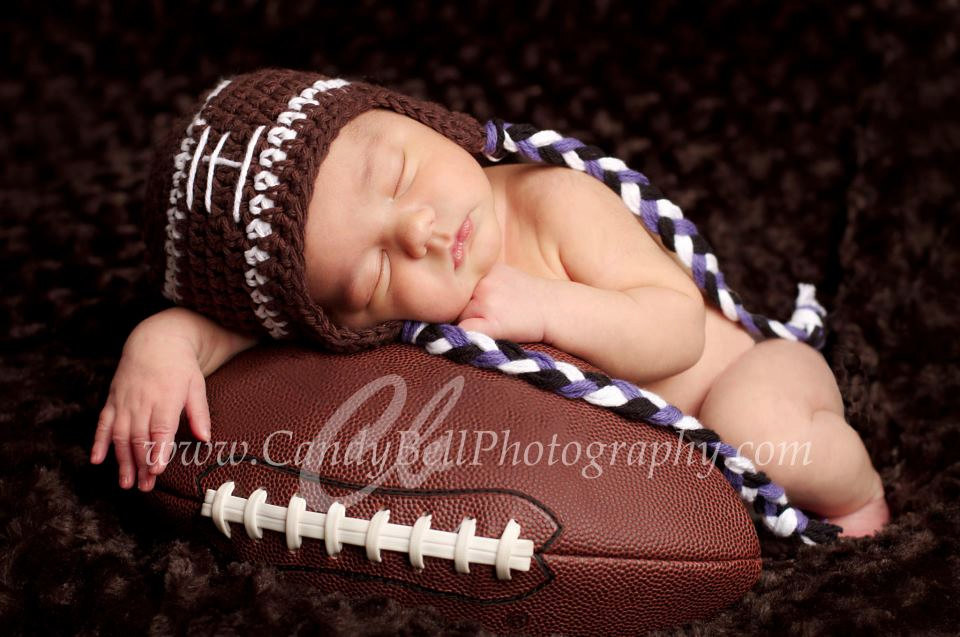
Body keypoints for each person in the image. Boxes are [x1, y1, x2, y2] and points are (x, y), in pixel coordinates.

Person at [89, 68, 889, 538]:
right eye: (368, 275)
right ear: (346, 322)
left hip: (741, 379)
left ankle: (860, 501)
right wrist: (163, 343)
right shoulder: (393, 313)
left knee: (763, 429)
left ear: (414, 119)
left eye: (398, 175)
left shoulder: (551, 203)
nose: (419, 230)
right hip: (649, 478)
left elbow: (676, 329)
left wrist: (547, 308)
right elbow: (255, 328)